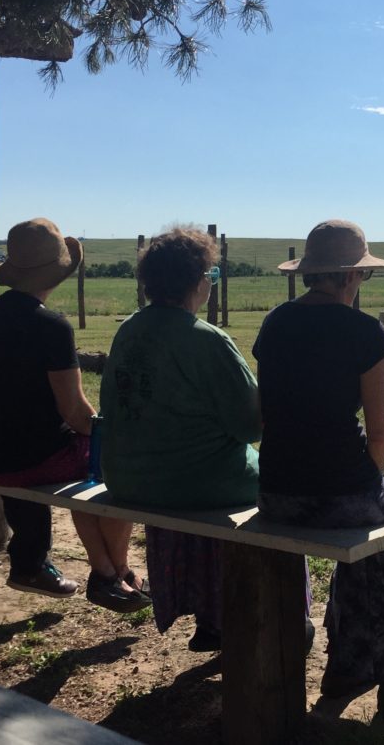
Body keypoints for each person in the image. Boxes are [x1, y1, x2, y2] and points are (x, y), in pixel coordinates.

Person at [253, 219, 384, 715]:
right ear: (353, 276)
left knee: (369, 540)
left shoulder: (275, 323)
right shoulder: (362, 331)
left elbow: (265, 417)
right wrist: (364, 486)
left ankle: (348, 667)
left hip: (275, 490)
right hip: (341, 488)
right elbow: (380, 433)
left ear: (312, 273)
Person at [0, 217, 149, 612]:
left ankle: (114, 575)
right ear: (57, 271)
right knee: (111, 463)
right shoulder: (52, 326)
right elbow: (78, 414)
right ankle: (112, 573)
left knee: (87, 458)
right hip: (25, 462)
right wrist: (109, 434)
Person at [99, 226, 261, 650]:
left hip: (131, 478)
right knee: (281, 482)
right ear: (199, 281)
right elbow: (252, 426)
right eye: (212, 274)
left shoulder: (128, 330)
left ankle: (207, 614)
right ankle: (269, 615)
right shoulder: (207, 340)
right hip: (196, 483)